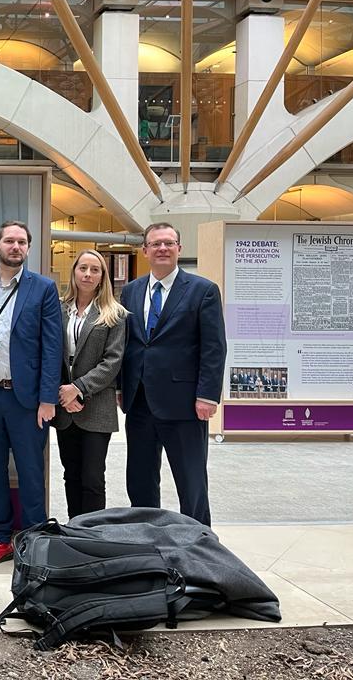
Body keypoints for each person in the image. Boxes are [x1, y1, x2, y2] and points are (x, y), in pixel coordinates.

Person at [0, 220, 62, 569]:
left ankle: (36, 543)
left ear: (28, 248)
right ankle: (1, 538)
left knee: (31, 472)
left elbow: (52, 347)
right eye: (9, 241)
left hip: (28, 401)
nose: (15, 247)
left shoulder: (43, 288)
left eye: (22, 241)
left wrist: (47, 398)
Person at [118, 222, 226, 527]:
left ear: (179, 248)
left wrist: (207, 395)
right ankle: (145, 534)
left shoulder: (202, 290)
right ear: (145, 250)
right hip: (139, 401)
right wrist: (120, 387)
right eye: (155, 244)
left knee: (190, 479)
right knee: (139, 477)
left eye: (168, 243)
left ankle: (199, 541)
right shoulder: (131, 291)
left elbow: (214, 347)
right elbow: (126, 344)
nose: (162, 248)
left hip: (185, 404)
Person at [50, 250, 127, 520]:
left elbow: (112, 361)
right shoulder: (58, 309)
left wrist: (78, 387)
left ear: (102, 276)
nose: (88, 274)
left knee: (93, 478)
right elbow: (51, 354)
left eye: (95, 270)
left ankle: (93, 534)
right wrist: (63, 392)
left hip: (96, 407)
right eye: (83, 268)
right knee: (70, 474)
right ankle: (74, 530)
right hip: (64, 408)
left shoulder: (114, 314)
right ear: (74, 272)